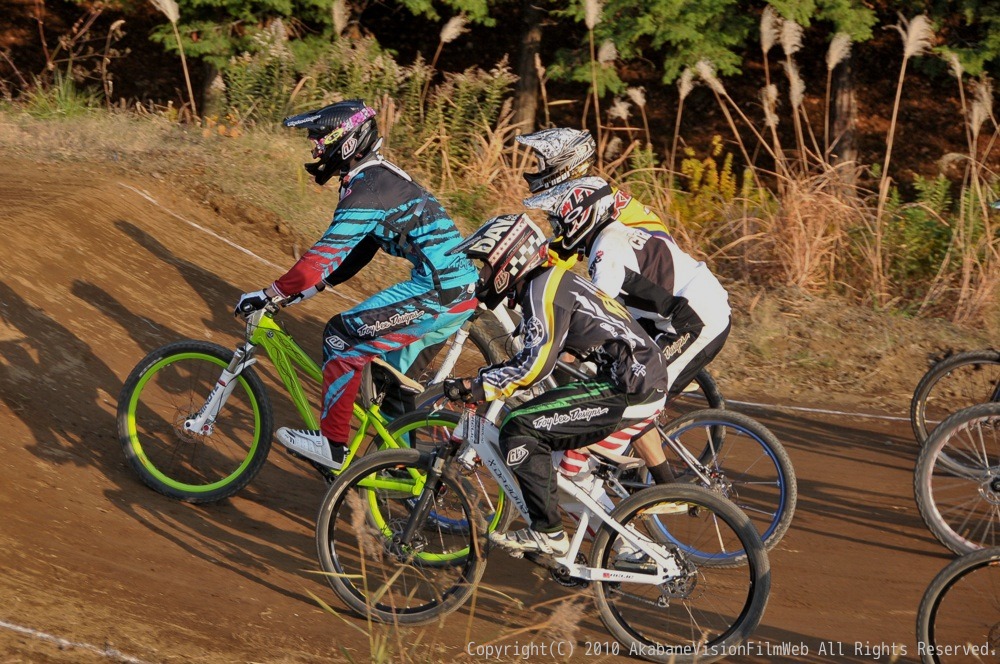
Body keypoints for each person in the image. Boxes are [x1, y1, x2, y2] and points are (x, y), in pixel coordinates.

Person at [234, 99, 478, 470]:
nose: (315, 147)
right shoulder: (373, 177)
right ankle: (408, 479)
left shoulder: (368, 189)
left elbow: (320, 257)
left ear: (345, 141)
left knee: (340, 338)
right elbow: (363, 247)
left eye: (319, 139)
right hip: (455, 292)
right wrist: (311, 290)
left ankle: (332, 446)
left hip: (438, 292)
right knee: (389, 381)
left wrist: (270, 294)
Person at [443, 212, 669, 556]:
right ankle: (629, 549)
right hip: (630, 379)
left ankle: (549, 533)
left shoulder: (543, 291)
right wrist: (491, 380)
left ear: (508, 262)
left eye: (486, 267)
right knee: (558, 467)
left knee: (518, 429)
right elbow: (534, 358)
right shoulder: (546, 283)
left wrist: (478, 386)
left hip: (630, 388)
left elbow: (533, 367)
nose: (482, 276)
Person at [523, 175, 732, 487]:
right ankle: (650, 482)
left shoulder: (606, 251)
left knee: (637, 397)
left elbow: (595, 313)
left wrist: (562, 348)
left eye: (559, 223)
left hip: (696, 323)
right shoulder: (611, 236)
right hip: (679, 315)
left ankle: (653, 487)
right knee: (622, 383)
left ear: (580, 219)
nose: (557, 231)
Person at [516, 127, 668, 237]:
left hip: (651, 249)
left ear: (565, 162)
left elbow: (563, 254)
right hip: (652, 246)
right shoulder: (589, 190)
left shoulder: (581, 197)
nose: (539, 168)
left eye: (543, 163)